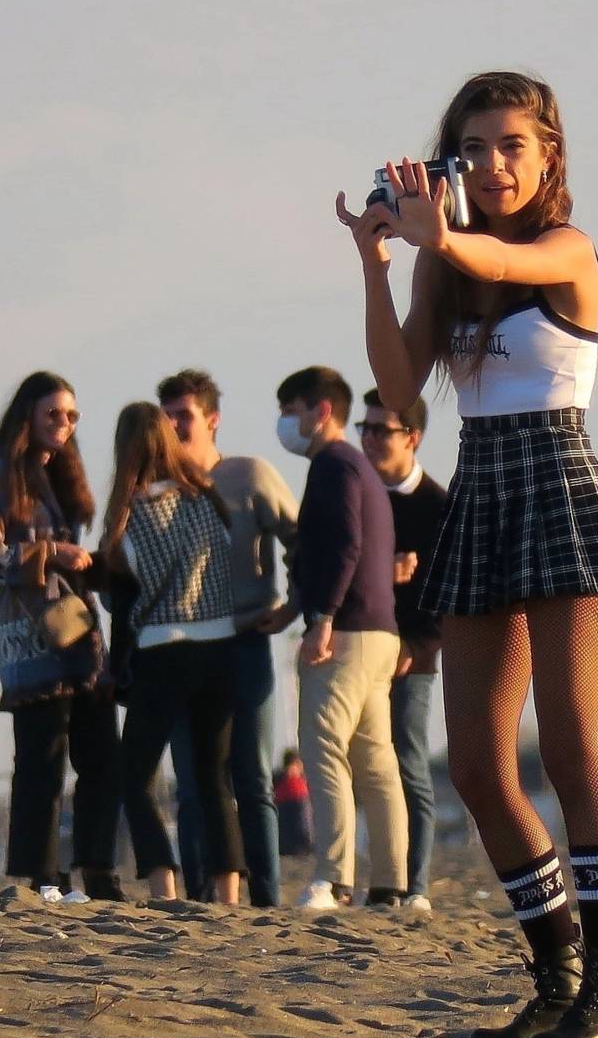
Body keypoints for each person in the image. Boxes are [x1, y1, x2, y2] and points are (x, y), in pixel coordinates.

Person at [334, 71, 598, 1038]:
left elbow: (505, 262)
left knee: (568, 748)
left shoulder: (569, 248)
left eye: (512, 144)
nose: (492, 163)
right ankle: (557, 977)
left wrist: (442, 235)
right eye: (474, 147)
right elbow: (399, 392)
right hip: (480, 490)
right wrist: (379, 264)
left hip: (560, 488)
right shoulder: (446, 262)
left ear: (548, 152)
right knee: (475, 762)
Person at [0, 372, 122, 903]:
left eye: (72, 415)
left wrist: (92, 566)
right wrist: (50, 554)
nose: (64, 424)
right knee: (42, 758)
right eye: (53, 413)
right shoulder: (0, 478)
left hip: (77, 632)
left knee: (100, 753)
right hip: (29, 637)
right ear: (27, 415)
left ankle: (98, 870)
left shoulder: (64, 477)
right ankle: (42, 877)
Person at [158, 369, 300, 908]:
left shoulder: (249, 476)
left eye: (183, 416)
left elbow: (301, 538)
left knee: (252, 778)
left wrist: (294, 605)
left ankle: (265, 897)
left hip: (245, 641)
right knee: (193, 784)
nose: (173, 426)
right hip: (181, 649)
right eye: (166, 416)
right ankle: (199, 897)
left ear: (212, 420)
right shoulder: (153, 490)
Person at [100, 403, 246, 906]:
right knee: (212, 776)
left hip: (164, 649)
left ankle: (164, 883)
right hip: (222, 647)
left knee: (135, 776)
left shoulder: (132, 512)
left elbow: (120, 591)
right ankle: (229, 889)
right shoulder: (209, 499)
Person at [275, 366, 409, 910]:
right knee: (376, 760)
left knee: (323, 746)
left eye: (292, 411)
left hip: (347, 630)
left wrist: (321, 616)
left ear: (321, 411)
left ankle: (334, 878)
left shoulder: (332, 465)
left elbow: (343, 547)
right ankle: (394, 884)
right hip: (381, 631)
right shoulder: (363, 469)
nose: (286, 423)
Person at [357, 387, 448, 912]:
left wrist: (416, 645)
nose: (369, 440)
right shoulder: (357, 493)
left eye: (380, 430)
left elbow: (446, 590)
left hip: (411, 658)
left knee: (408, 762)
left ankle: (415, 885)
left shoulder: (437, 504)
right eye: (363, 429)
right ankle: (380, 881)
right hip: (356, 650)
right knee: (363, 767)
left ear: (411, 438)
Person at [274, 749, 313, 857]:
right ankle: (302, 845)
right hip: (295, 801)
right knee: (300, 825)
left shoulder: (279, 777)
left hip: (285, 802)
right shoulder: (297, 781)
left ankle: (297, 845)